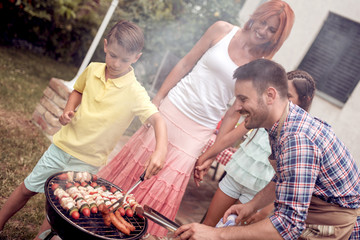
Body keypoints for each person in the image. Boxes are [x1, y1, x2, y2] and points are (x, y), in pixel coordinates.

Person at [97, 0, 295, 237]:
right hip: (171, 109)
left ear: (277, 37)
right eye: (263, 22)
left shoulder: (262, 67)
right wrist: (158, 99)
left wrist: (210, 155)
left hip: (200, 131)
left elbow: (234, 112)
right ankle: (97, 221)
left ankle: (128, 234)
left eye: (272, 29)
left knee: (161, 186)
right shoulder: (222, 29)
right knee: (138, 167)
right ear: (256, 16)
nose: (263, 30)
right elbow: (185, 62)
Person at [0, 20, 168, 240]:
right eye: (113, 55)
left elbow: (157, 119)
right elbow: (77, 91)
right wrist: (69, 110)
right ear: (106, 46)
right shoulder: (93, 69)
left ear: (136, 57)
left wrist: (160, 150)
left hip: (88, 162)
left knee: (60, 209)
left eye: (125, 59)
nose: (116, 63)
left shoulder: (135, 92)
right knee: (27, 188)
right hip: (62, 147)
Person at [174, 59, 360, 240]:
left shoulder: (297, 140)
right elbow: (282, 176)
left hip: (333, 226)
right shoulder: (280, 124)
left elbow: (287, 226)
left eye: (243, 99)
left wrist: (216, 234)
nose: (237, 107)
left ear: (270, 96)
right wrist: (252, 205)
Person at [196, 70, 316, 227]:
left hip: (256, 193)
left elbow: (289, 179)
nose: (281, 99)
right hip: (235, 176)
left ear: (304, 101)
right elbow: (231, 137)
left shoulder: (298, 135)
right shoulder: (264, 112)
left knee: (224, 232)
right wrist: (206, 157)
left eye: (288, 96)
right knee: (207, 224)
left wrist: (266, 210)